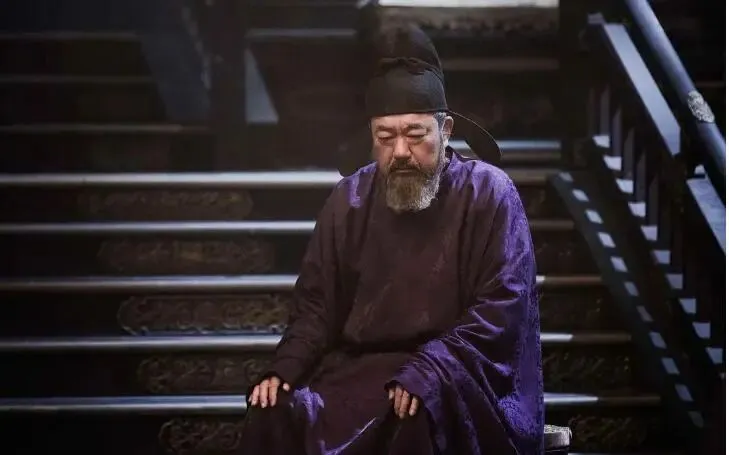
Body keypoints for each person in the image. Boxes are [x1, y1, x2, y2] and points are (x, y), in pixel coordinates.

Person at [241, 24, 544, 455]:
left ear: (445, 130)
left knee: (417, 411)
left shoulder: (489, 194)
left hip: (455, 372)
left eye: (415, 135)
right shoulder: (350, 199)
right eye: (385, 138)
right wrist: (285, 367)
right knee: (276, 411)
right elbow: (316, 306)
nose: (400, 151)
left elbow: (501, 309)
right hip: (358, 372)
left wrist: (432, 369)